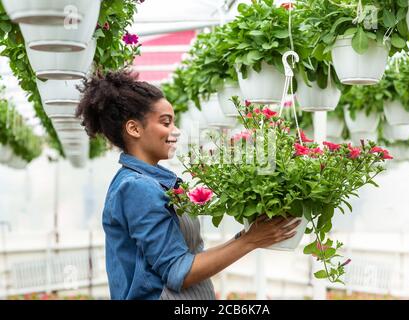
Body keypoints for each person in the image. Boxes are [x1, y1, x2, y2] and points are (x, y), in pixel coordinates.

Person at [75, 69, 301, 300]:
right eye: (166, 122)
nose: (175, 131)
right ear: (134, 129)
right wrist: (250, 240)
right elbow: (178, 271)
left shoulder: (153, 181)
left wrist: (248, 235)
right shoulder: (137, 187)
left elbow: (189, 256)